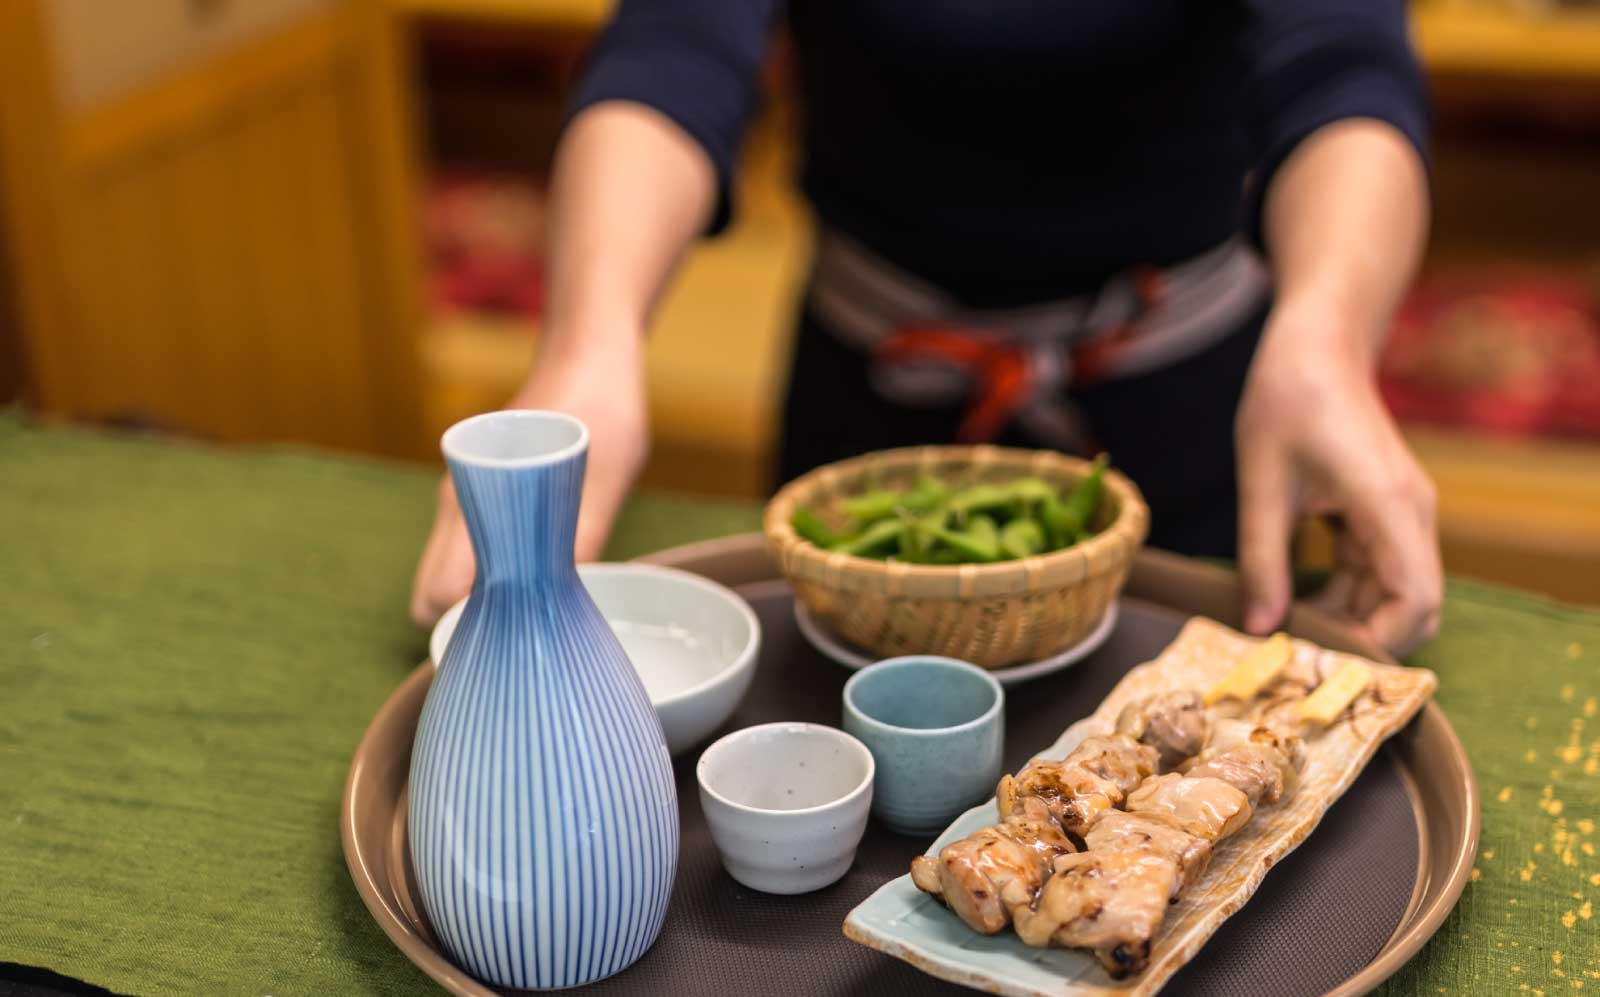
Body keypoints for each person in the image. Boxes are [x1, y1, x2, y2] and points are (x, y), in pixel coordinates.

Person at [411, 0, 1443, 656]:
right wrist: (590, 343)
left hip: (1188, 404)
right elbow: (674, 46)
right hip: (866, 403)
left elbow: (1341, 58)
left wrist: (1328, 335)